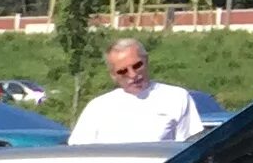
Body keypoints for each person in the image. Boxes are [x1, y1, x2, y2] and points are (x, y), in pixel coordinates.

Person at [67, 38, 208, 148]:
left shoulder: (176, 98)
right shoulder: (98, 107)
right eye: (123, 71)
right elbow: (78, 151)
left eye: (137, 66)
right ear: (113, 75)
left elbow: (189, 147)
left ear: (146, 61)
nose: (133, 74)